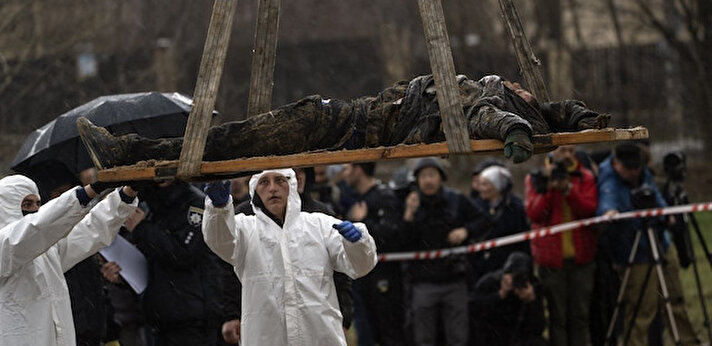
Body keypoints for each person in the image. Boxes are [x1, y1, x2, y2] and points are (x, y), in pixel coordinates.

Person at [78, 74, 610, 169]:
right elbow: (562, 112)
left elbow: (479, 116)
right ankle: (137, 150)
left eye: (523, 92)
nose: (521, 83)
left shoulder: (487, 103)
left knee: (227, 142)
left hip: (347, 125)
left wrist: (512, 131)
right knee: (229, 145)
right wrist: (585, 117)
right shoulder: (524, 102)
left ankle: (132, 152)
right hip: (352, 115)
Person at [202, 169, 377, 346]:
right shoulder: (246, 229)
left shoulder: (320, 225)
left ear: (292, 185)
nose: (273, 188)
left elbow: (358, 267)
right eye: (264, 182)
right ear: (255, 190)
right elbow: (220, 241)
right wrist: (218, 207)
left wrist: (359, 243)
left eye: (280, 181)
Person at [0, 175, 138, 346]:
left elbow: (90, 230)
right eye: (26, 204)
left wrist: (124, 195)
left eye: (37, 204)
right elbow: (34, 229)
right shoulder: (6, 247)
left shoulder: (46, 252)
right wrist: (88, 192)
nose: (34, 210)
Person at [596, 143, 699, 346]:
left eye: (637, 168)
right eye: (629, 168)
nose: (634, 173)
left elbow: (654, 194)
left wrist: (665, 214)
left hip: (659, 241)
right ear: (616, 163)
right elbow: (606, 199)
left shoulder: (642, 173)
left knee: (676, 299)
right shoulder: (609, 179)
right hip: (633, 248)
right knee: (641, 308)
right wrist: (608, 213)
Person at [125, 180, 225, 346]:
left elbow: (184, 252)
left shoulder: (196, 202)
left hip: (192, 321)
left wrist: (142, 229)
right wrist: (121, 273)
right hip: (162, 320)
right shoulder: (149, 203)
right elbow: (155, 261)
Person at [403, 157, 480, 346]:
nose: (428, 181)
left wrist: (466, 231)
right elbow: (400, 242)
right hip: (423, 283)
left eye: (432, 175)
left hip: (454, 280)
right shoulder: (411, 203)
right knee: (424, 343)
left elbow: (483, 220)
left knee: (458, 341)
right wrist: (408, 216)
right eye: (423, 176)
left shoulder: (456, 200)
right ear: (417, 180)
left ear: (441, 178)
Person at [524, 144, 598, 346]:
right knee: (557, 318)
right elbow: (534, 213)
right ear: (551, 152)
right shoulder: (536, 178)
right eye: (561, 151)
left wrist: (568, 190)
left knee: (580, 316)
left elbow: (589, 208)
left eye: (570, 151)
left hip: (581, 258)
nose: (566, 156)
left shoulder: (583, 177)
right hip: (551, 260)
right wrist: (549, 189)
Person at [343, 162, 410, 346]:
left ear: (358, 169)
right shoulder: (358, 199)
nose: (344, 173)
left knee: (391, 335)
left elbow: (393, 234)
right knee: (373, 334)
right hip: (366, 279)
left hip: (386, 277)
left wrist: (364, 223)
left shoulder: (384, 197)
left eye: (347, 168)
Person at [470, 252, 548, 346]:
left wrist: (530, 302)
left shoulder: (533, 287)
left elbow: (538, 327)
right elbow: (474, 308)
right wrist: (500, 296)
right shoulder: (491, 282)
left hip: (518, 336)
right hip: (492, 333)